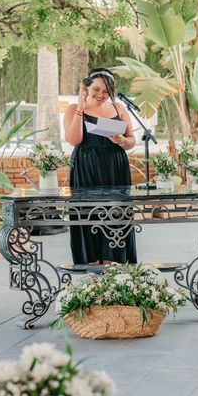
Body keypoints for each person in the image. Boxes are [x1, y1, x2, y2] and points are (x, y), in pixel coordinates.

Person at [63, 67, 138, 265]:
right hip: (85, 167)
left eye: (106, 91)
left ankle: (115, 261)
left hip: (115, 166)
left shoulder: (119, 108)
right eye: (96, 89)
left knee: (116, 211)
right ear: (86, 86)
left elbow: (132, 141)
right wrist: (80, 107)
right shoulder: (73, 109)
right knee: (87, 212)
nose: (101, 95)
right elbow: (74, 140)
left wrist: (121, 139)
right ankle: (91, 261)